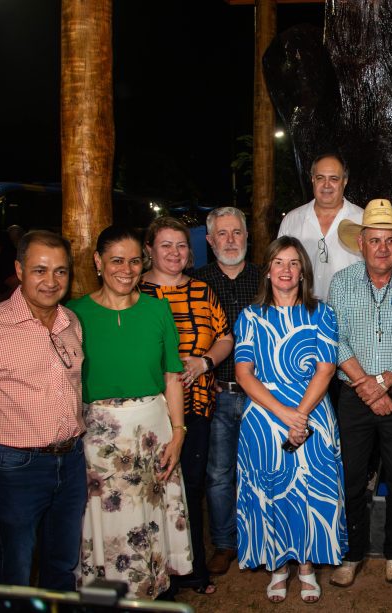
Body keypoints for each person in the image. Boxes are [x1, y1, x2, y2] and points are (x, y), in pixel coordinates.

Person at [0, 230, 86, 590]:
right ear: (19, 270)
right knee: (17, 568)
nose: (51, 280)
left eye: (60, 271)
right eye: (40, 270)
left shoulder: (70, 323)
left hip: (71, 461)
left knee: (63, 563)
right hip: (15, 468)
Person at [70, 225, 193, 599]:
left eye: (135, 261)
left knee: (151, 514)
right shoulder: (73, 314)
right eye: (116, 260)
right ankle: (104, 591)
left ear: (144, 264)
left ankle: (152, 589)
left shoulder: (158, 310)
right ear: (98, 262)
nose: (126, 269)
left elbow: (173, 376)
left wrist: (179, 431)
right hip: (98, 437)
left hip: (154, 431)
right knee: (104, 518)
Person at [234, 236, 347, 604]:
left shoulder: (322, 312)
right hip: (264, 418)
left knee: (310, 492)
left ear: (303, 272)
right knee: (270, 492)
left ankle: (307, 567)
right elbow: (244, 373)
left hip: (313, 412)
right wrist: (285, 414)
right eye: (278, 262)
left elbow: (326, 367)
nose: (285, 270)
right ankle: (278, 567)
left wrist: (300, 414)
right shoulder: (251, 316)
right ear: (267, 270)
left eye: (293, 263)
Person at [327, 199, 392, 587]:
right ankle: (352, 554)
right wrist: (368, 388)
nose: (383, 248)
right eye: (375, 241)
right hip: (354, 396)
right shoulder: (341, 283)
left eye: (390, 241)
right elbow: (335, 340)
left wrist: (383, 384)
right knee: (352, 478)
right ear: (361, 244)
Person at [139, 216, 233, 596]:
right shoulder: (136, 292)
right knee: (151, 489)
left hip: (196, 404)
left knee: (190, 487)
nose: (175, 252)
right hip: (151, 408)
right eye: (166, 245)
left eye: (180, 245)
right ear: (149, 250)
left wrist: (205, 361)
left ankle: (191, 570)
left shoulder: (202, 290)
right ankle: (155, 575)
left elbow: (226, 337)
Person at [192, 207, 262, 576]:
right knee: (219, 474)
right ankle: (224, 544)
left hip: (261, 395)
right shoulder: (196, 283)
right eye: (222, 234)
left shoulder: (266, 279)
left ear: (247, 237)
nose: (230, 240)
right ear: (209, 240)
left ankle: (261, 538)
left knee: (262, 470)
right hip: (216, 393)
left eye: (237, 232)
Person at [277, 153, 365, 301]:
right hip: (302, 313)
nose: (326, 185)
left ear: (345, 181)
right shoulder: (292, 220)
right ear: (312, 179)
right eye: (320, 178)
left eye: (334, 179)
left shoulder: (362, 221)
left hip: (349, 316)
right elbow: (278, 269)